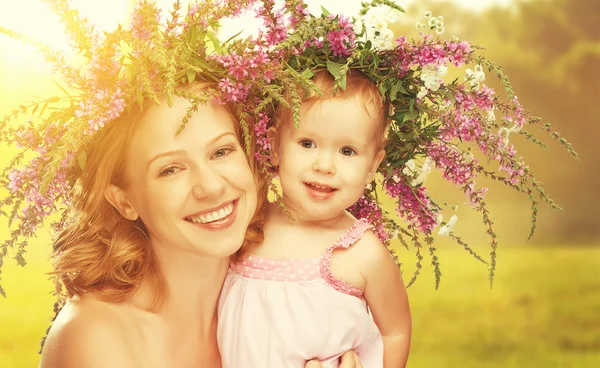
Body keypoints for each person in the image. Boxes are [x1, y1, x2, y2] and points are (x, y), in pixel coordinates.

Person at [218, 71, 412, 367]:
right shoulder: (247, 225)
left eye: (347, 151)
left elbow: (395, 330)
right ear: (274, 147)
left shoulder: (362, 253)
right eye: (307, 143)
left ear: (373, 165)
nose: (324, 165)